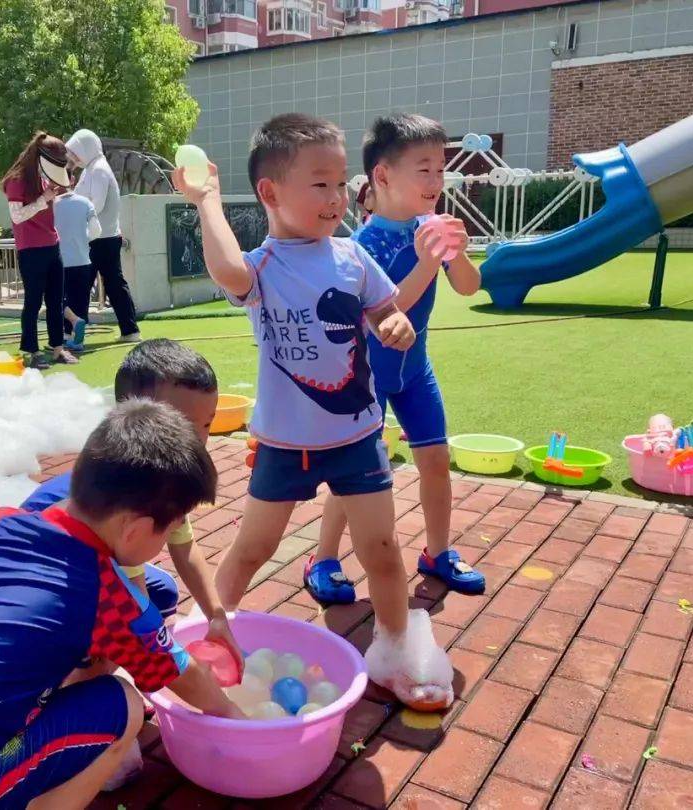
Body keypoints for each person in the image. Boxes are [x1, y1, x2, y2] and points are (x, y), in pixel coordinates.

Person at [175, 113, 453, 712]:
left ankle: (395, 652)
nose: (336, 197)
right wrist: (206, 200)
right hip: (285, 443)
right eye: (319, 184)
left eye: (340, 183)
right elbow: (226, 269)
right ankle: (201, 645)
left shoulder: (353, 257)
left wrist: (396, 325)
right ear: (270, 193)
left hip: (357, 436)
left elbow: (385, 311)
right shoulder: (263, 266)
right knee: (251, 550)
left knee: (383, 551)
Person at [0, 401, 244, 809]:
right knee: (123, 705)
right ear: (134, 529)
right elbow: (178, 671)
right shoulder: (104, 592)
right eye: (168, 531)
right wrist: (235, 716)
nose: (167, 541)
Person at [315, 115, 486, 602]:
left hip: (416, 371)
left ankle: (438, 552)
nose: (436, 181)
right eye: (424, 169)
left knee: (436, 460)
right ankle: (323, 558)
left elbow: (469, 287)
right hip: (368, 378)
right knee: (356, 474)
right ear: (383, 176)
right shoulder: (360, 246)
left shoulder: (430, 228)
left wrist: (458, 253)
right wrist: (429, 260)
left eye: (441, 170)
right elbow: (383, 315)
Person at [14, 338, 241, 662]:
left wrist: (216, 616)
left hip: (97, 558)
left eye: (207, 424)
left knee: (162, 593)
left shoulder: (167, 471)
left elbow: (185, 547)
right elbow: (134, 599)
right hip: (43, 567)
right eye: (181, 425)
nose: (198, 439)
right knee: (111, 627)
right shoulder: (131, 485)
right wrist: (161, 663)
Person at [1, 132, 78, 369]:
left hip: (52, 245)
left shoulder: (44, 178)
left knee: (56, 301)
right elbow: (17, 216)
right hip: (30, 249)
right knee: (33, 302)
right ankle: (33, 351)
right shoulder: (17, 180)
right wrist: (44, 199)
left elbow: (47, 203)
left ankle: (58, 348)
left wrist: (57, 192)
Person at [65, 129, 141, 343]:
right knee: (112, 284)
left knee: (83, 285)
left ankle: (71, 333)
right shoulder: (92, 169)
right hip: (102, 237)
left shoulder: (97, 170)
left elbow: (94, 205)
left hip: (99, 239)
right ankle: (129, 330)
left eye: (76, 152)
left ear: (86, 149)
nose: (73, 157)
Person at [53, 174, 100, 352]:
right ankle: (78, 340)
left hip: (59, 260)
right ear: (72, 180)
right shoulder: (85, 203)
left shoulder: (51, 205)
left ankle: (66, 334)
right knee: (80, 300)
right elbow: (96, 231)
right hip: (83, 259)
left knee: (57, 299)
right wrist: (82, 239)